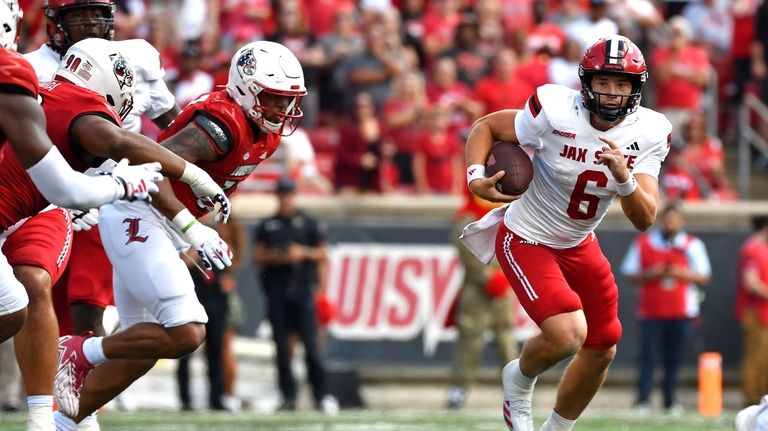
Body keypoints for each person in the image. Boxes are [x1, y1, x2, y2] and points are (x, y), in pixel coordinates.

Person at [52, 40, 307, 429]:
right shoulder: (222, 127)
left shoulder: (256, 126)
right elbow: (149, 167)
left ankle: (65, 424)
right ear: (247, 89)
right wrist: (191, 228)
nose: (283, 111)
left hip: (155, 221)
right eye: (274, 99)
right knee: (187, 331)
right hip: (138, 213)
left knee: (142, 349)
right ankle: (80, 348)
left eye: (288, 101)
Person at [0, 38, 227, 431]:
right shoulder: (72, 108)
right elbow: (76, 183)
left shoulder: (46, 99)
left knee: (18, 300)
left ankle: (66, 417)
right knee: (14, 303)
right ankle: (67, 385)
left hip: (15, 222)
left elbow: (82, 177)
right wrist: (141, 182)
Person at [461, 35, 672, 431]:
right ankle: (519, 379)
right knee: (568, 334)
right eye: (603, 82)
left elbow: (645, 218)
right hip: (527, 235)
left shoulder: (650, 131)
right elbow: (487, 126)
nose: (611, 93)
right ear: (586, 82)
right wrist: (475, 178)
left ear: (636, 88)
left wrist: (625, 179)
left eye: (622, 84)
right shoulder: (554, 110)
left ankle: (557, 428)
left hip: (579, 242)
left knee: (603, 345)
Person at [0, 0, 162, 346]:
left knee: (79, 307)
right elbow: (47, 170)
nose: (89, 24)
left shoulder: (138, 56)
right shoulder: (25, 68)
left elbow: (170, 123)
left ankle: (60, 396)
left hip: (104, 198)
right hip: (45, 195)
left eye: (97, 15)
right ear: (55, 22)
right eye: (78, 16)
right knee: (24, 297)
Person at [253, 176, 339, 415]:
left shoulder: (308, 222)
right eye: (282, 193)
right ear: (277, 195)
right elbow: (258, 257)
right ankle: (287, 396)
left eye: (289, 193)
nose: (285, 198)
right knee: (282, 347)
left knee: (311, 346)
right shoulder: (268, 224)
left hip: (302, 289)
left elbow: (322, 253)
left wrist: (302, 253)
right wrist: (278, 257)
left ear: (294, 194)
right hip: (277, 291)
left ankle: (320, 395)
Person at [620, 203, 711, 414]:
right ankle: (642, 401)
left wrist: (680, 273)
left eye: (675, 219)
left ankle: (670, 401)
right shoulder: (644, 243)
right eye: (667, 219)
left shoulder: (692, 245)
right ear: (661, 220)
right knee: (648, 358)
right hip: (651, 311)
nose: (671, 223)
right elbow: (629, 273)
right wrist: (651, 274)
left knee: (674, 358)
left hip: (682, 312)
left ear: (681, 222)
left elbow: (704, 276)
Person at [446, 185, 517, 410]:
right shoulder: (467, 216)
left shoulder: (508, 214)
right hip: (476, 290)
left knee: (506, 340)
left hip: (504, 287)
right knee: (470, 340)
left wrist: (507, 275)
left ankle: (514, 392)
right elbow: (466, 251)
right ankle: (459, 389)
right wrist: (487, 277)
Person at [177, 214, 245, 411]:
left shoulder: (216, 233)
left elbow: (228, 261)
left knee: (216, 351)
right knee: (184, 349)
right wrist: (196, 243)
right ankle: (185, 399)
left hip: (215, 299)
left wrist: (227, 279)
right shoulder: (184, 230)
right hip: (192, 297)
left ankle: (217, 397)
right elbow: (183, 262)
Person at [734, 215, 768, 407]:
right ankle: (753, 400)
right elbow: (751, 282)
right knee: (757, 357)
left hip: (763, 312)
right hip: (755, 312)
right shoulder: (752, 250)